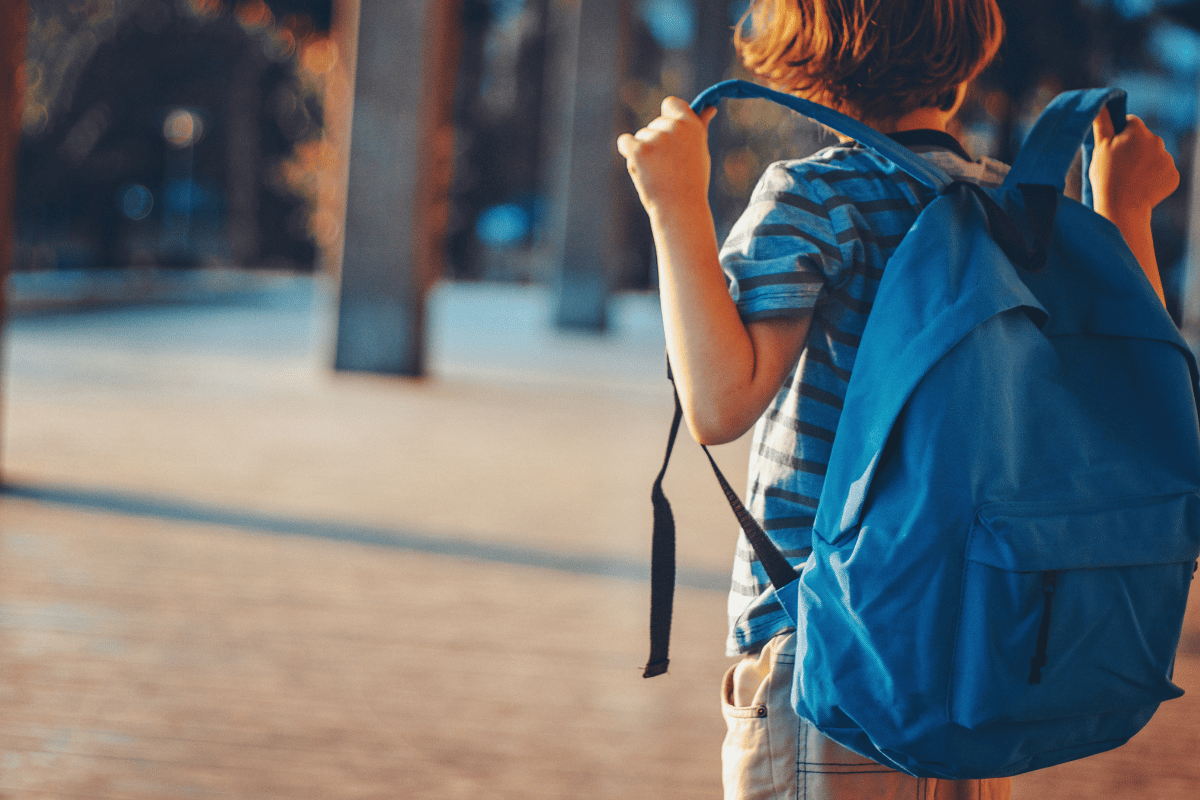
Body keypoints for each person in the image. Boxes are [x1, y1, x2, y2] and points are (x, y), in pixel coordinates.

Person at [616, 1, 1180, 798]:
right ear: (965, 64)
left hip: (831, 649)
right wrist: (1124, 212)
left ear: (802, 60)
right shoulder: (1017, 213)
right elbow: (1127, 396)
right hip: (981, 645)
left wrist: (673, 205)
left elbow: (720, 403)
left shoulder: (815, 197)